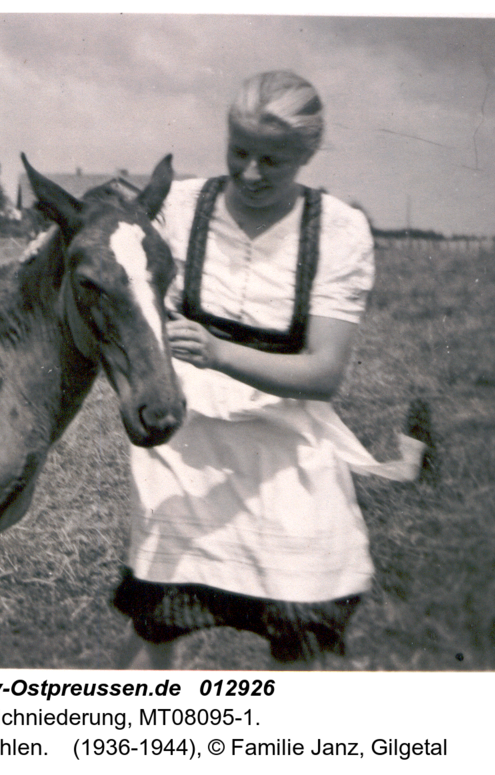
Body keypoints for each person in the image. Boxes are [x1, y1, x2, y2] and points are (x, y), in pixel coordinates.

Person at [113, 71, 427, 669]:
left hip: (287, 444)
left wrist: (220, 353)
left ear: (308, 155)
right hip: (187, 446)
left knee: (299, 613)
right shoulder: (179, 210)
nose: (251, 173)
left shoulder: (336, 230)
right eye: (239, 152)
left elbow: (324, 373)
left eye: (272, 161)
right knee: (160, 616)